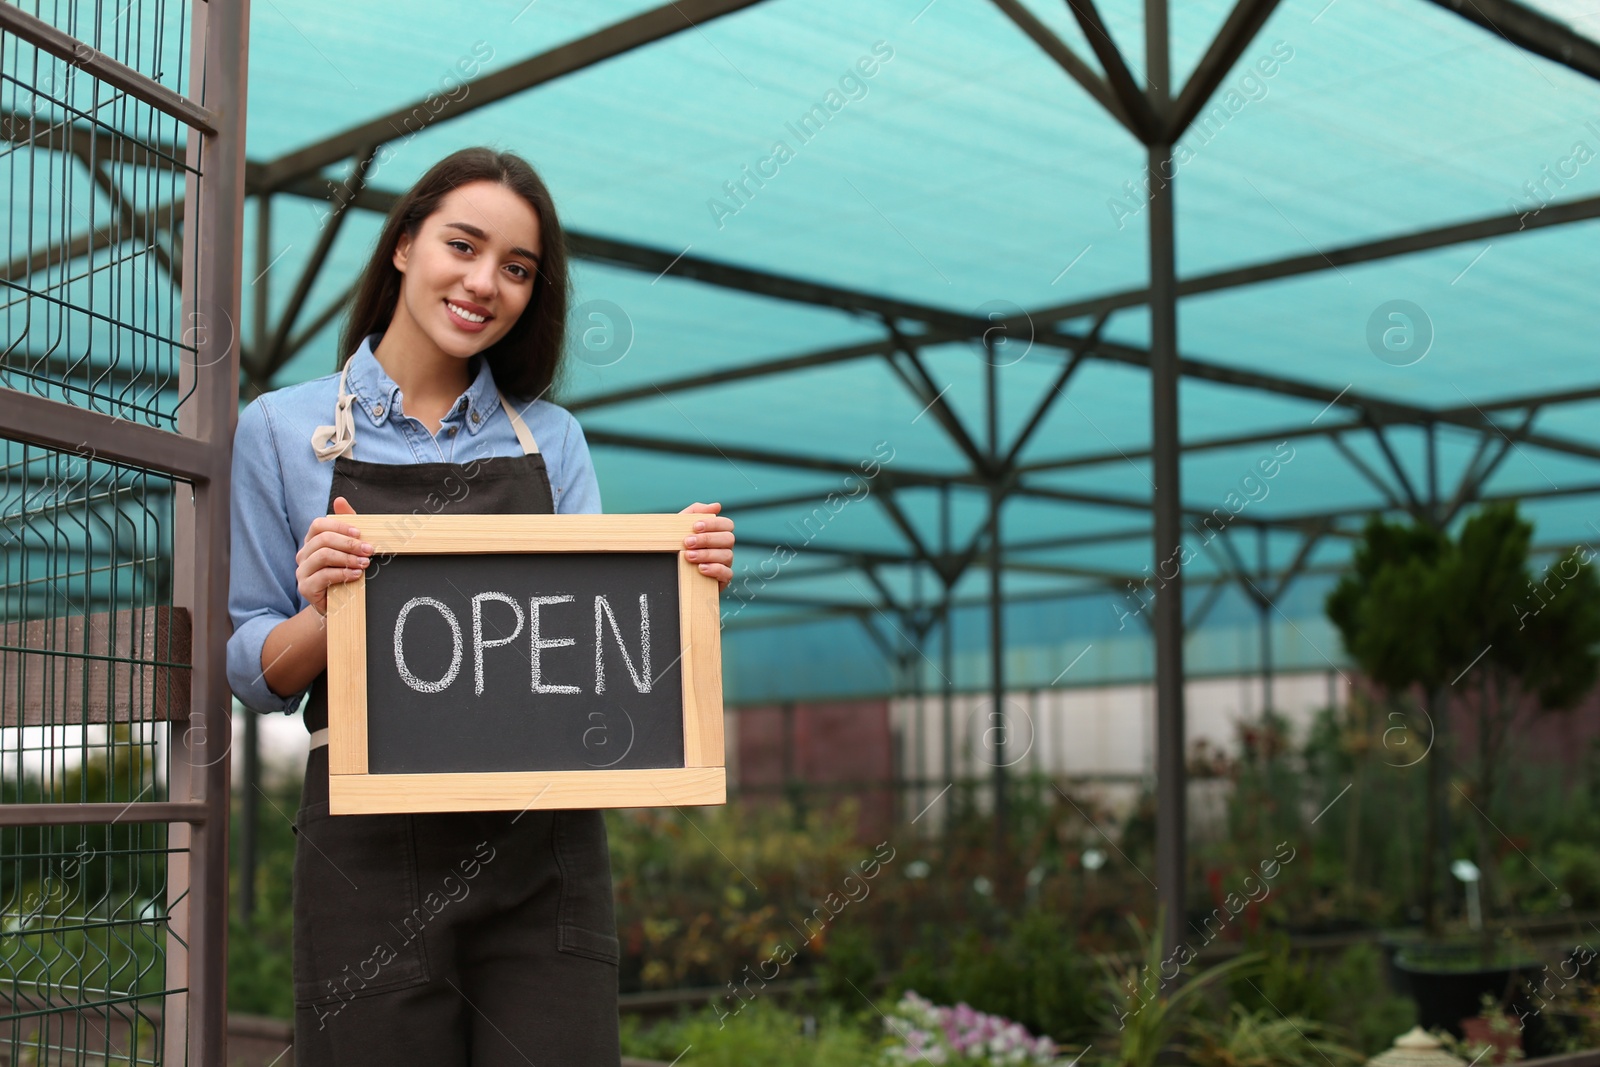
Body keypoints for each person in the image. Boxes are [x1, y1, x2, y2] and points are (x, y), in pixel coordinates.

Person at [225, 146, 736, 1066]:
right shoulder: (279, 430)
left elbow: (594, 648)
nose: (483, 283)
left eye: (516, 268)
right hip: (365, 853)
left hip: (544, 851)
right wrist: (332, 606)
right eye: (462, 245)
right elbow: (253, 670)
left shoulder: (552, 439)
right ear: (403, 245)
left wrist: (679, 577)